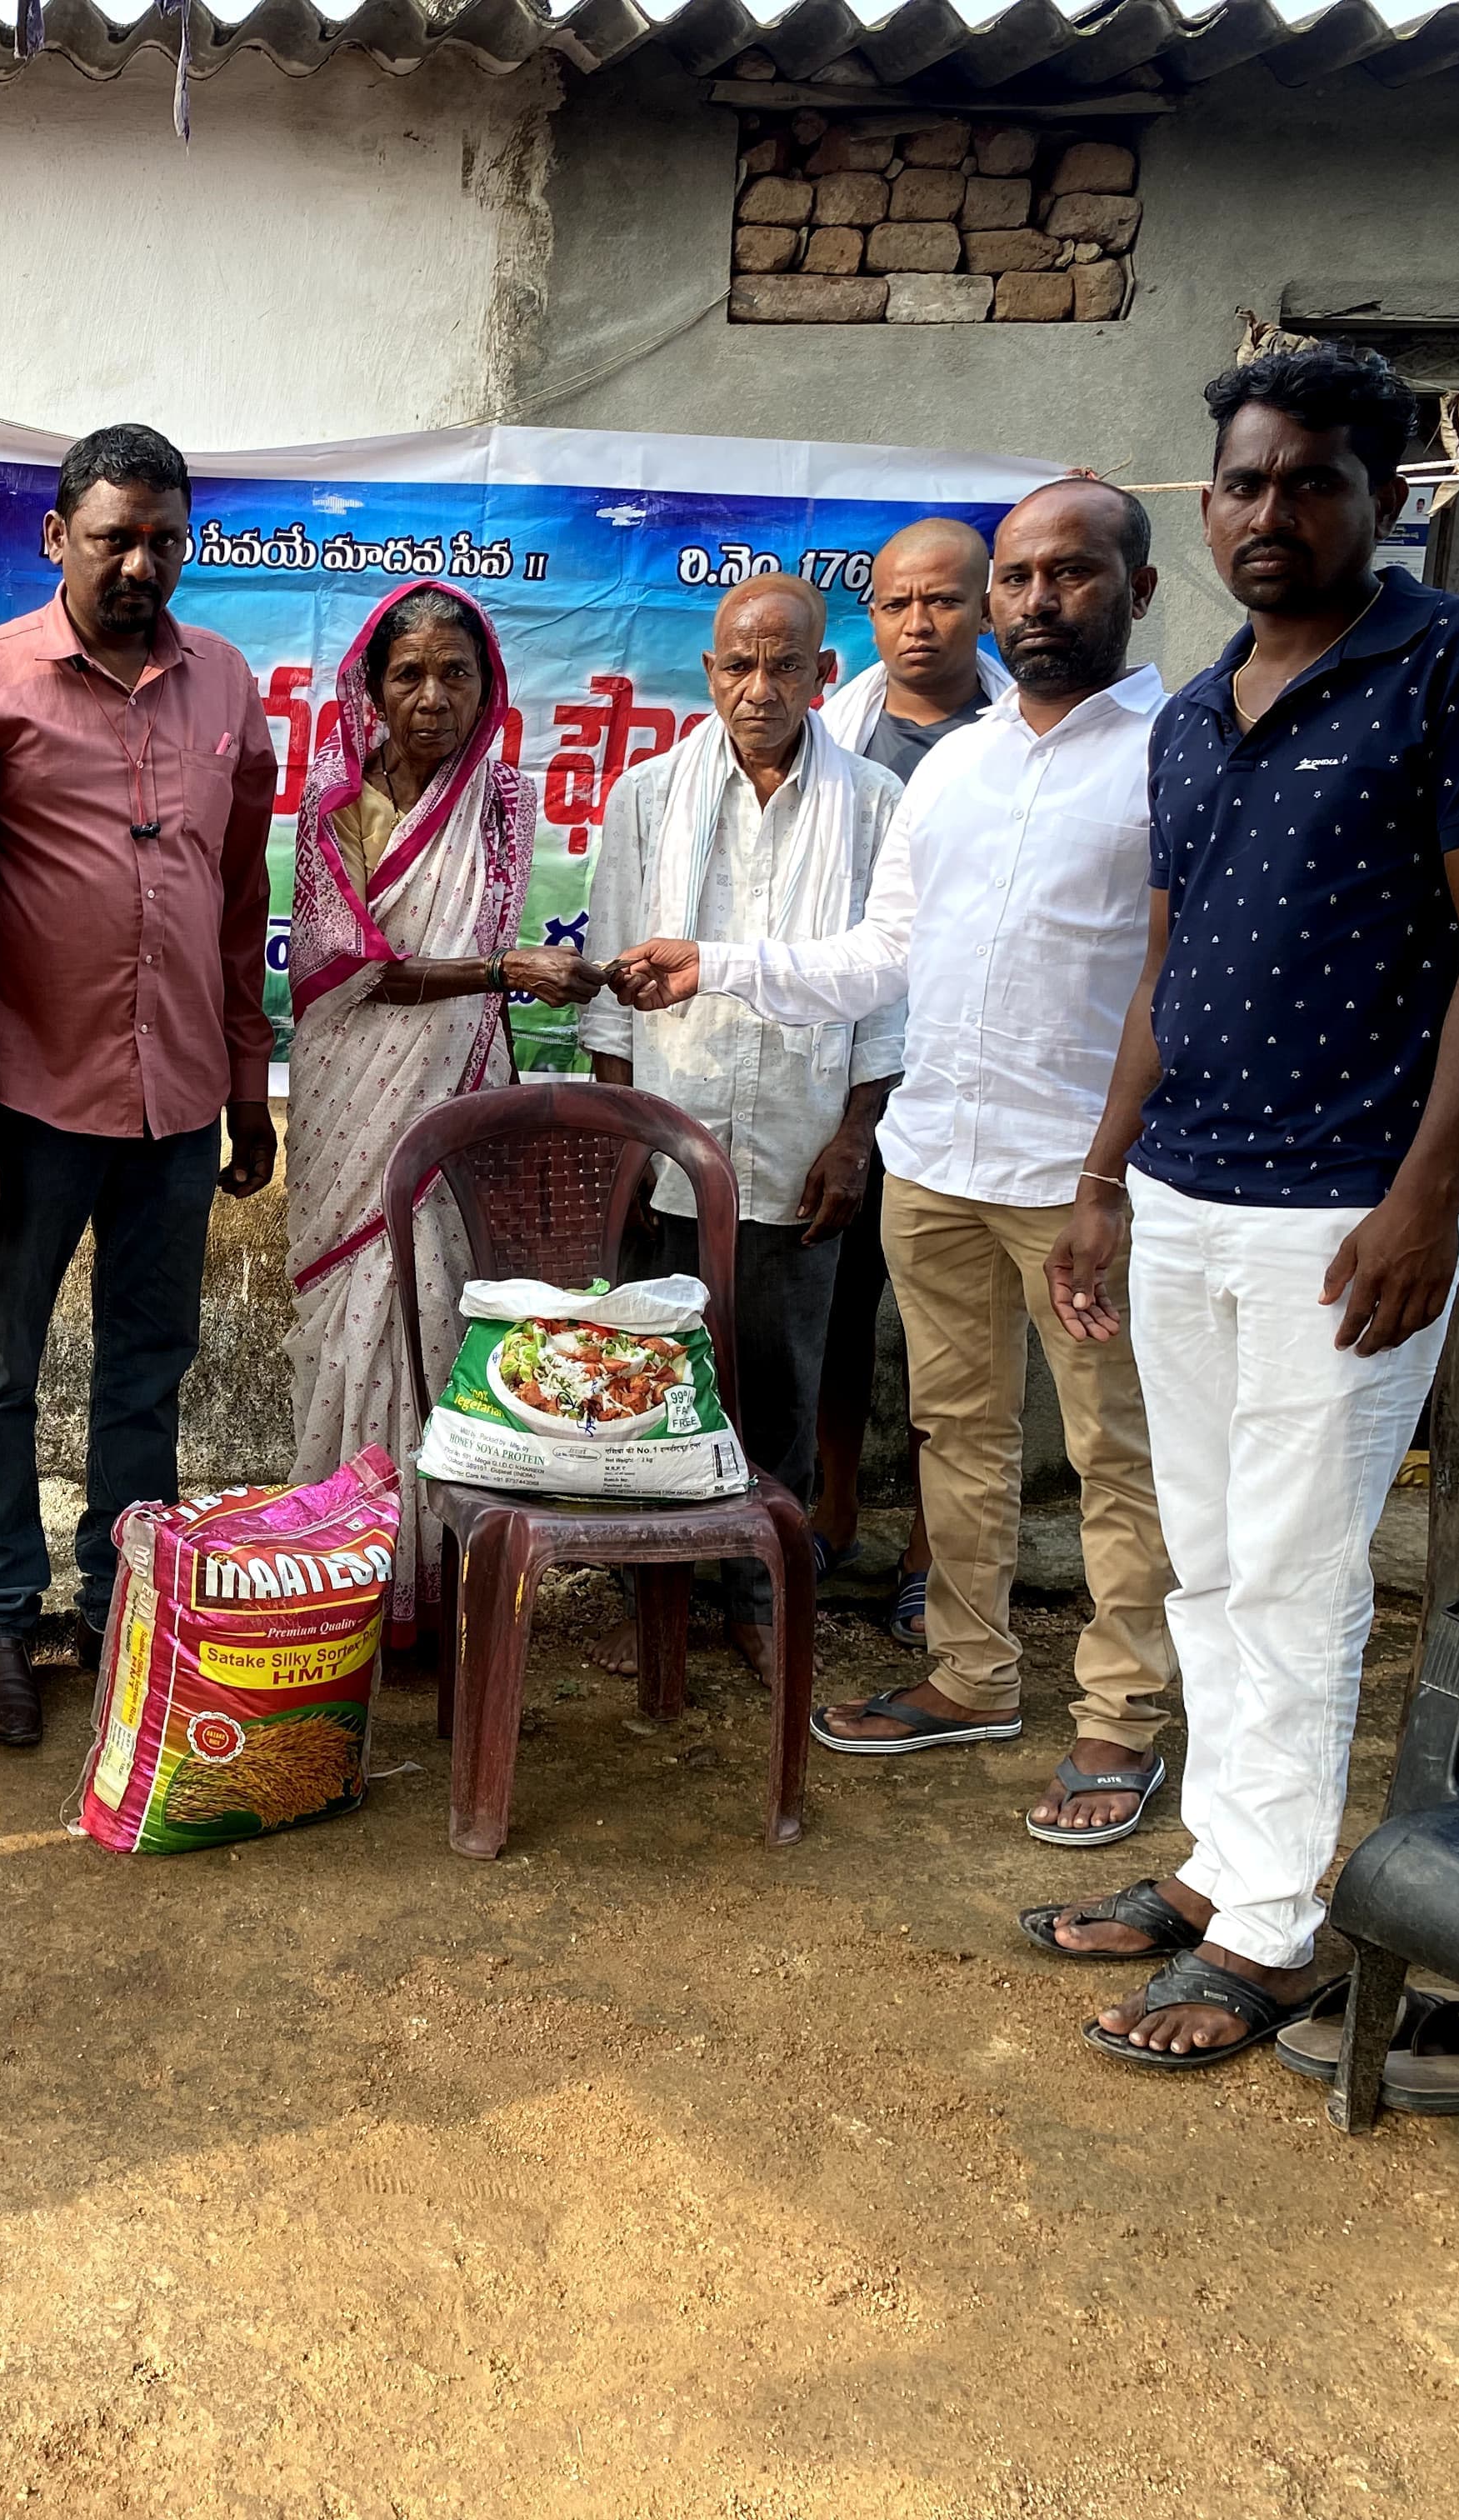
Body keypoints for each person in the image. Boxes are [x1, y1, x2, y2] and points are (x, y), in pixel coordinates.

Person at [1037, 345, 1459, 2068]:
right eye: (1245, 483)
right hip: (1184, 1193)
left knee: (1294, 1566)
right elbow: (1164, 965)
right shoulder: (1195, 713)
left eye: (1311, 480)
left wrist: (1428, 1195)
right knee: (1208, 1556)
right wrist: (1103, 1178)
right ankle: (1222, 1865)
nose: (1272, 511)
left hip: (1345, 1213)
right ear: (1208, 507)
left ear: (1384, 496)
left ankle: (1269, 1931)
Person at [606, 480, 1186, 1845]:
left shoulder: (1176, 754)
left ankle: (1120, 1713)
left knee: (1114, 1447)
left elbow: (1180, 977)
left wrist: (1111, 1175)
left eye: (1068, 575)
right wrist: (717, 964)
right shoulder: (960, 769)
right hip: (939, 1160)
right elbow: (881, 958)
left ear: (1138, 591)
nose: (1036, 602)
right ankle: (974, 1675)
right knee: (956, 1435)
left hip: (1076, 1174)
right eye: (1019, 579)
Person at [0, 423, 279, 1748]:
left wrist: (247, 1080)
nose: (140, 564)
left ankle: (120, 1606)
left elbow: (238, 898)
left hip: (178, 1097)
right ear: (54, 538)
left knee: (149, 1364)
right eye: (112, 538)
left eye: (164, 541)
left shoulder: (225, 681)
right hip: (30, 1094)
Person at [577, 574, 906, 1675]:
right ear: (710, 671)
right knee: (653, 1376)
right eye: (738, 665)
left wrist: (855, 1138)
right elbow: (612, 979)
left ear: (824, 673)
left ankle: (761, 1595)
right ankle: (651, 1593)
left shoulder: (875, 804)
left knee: (779, 1382)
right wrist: (624, 1140)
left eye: (784, 665)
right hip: (670, 1139)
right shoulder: (647, 795)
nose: (759, 688)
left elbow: (888, 989)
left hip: (800, 1141)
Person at [282, 579, 598, 1649]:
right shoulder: (337, 801)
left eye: (454, 673)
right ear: (372, 689)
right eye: (408, 674)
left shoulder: (503, 803)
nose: (431, 696)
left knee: (441, 1311)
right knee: (357, 1304)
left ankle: (440, 1580)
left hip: (460, 1085)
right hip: (354, 1090)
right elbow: (352, 971)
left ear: (486, 684)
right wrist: (504, 970)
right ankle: (347, 1572)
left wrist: (510, 980)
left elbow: (471, 958)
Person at [807, 519, 1017, 1640]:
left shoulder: (1022, 733)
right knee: (837, 1315)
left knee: (956, 1342)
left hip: (975, 1073)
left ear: (984, 608)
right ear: (871, 615)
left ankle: (935, 1554)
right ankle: (833, 1516)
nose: (919, 624)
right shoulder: (834, 737)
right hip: (849, 1077)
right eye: (896, 603)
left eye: (943, 601)